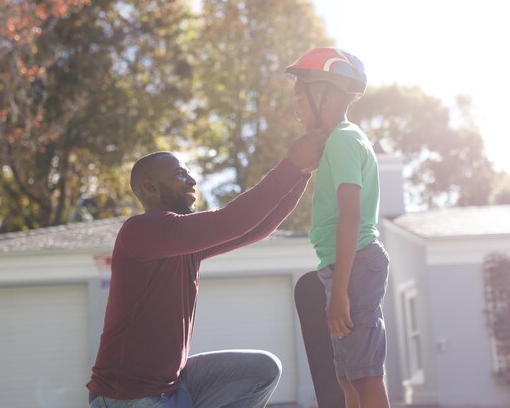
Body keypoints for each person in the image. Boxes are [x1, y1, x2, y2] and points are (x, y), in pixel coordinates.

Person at [86, 131, 326, 408]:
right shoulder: (140, 232)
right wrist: (290, 165)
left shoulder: (183, 243)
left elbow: (257, 228)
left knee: (262, 370)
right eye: (179, 175)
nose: (192, 181)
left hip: (172, 385)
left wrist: (302, 174)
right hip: (127, 397)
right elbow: (232, 220)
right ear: (150, 188)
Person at [285, 47, 391, 408]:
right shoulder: (337, 143)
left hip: (355, 265)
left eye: (300, 96)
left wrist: (341, 292)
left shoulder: (344, 140)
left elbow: (351, 216)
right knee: (347, 377)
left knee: (365, 377)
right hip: (343, 267)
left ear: (326, 94)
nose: (296, 108)